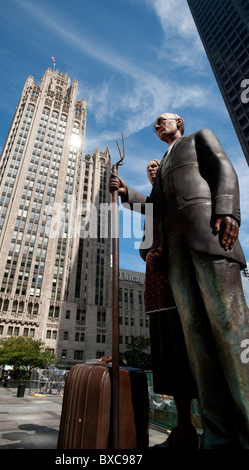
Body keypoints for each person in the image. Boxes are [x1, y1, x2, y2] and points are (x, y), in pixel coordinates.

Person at [109, 113, 249, 449]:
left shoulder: (199, 138)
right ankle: (217, 436)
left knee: (231, 331)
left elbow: (222, 168)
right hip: (175, 256)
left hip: (210, 237)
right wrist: (127, 191)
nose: (157, 126)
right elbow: (155, 208)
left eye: (162, 121)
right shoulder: (161, 173)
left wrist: (228, 209)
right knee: (197, 343)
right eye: (154, 124)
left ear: (179, 122)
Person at [143, 159, 199, 449]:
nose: (152, 169)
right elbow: (145, 242)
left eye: (156, 165)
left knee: (191, 347)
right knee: (170, 351)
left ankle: (211, 426)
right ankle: (184, 428)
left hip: (184, 272)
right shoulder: (151, 203)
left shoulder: (179, 189)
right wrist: (148, 255)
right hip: (158, 281)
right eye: (149, 169)